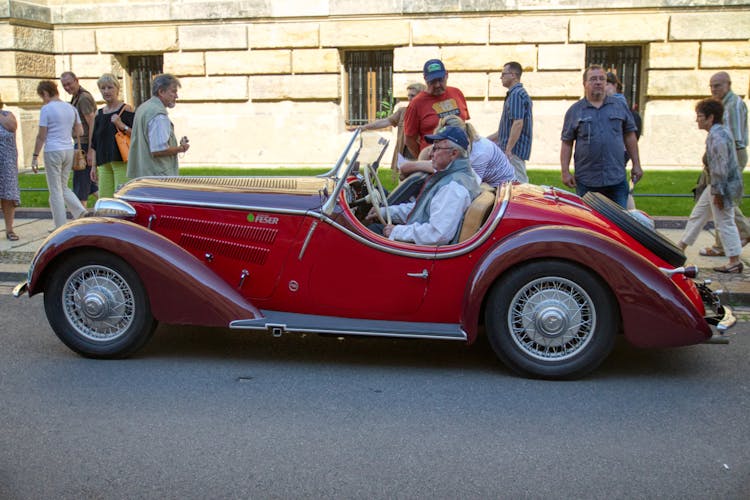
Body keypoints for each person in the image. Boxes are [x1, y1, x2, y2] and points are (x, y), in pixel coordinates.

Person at [365, 125, 481, 245]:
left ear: (453, 154)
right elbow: (422, 209)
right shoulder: (458, 176)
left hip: (428, 256)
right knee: (374, 229)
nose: (431, 153)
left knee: (370, 233)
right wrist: (386, 212)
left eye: (436, 148)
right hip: (427, 247)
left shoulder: (453, 188)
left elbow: (438, 234)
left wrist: (397, 231)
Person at [560, 64, 643, 208]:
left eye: (601, 79)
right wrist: (565, 172)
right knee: (589, 224)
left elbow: (630, 136)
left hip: (616, 178)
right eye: (593, 79)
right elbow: (567, 143)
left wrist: (636, 164)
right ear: (585, 84)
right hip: (587, 181)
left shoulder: (619, 106)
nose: (598, 82)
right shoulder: (575, 111)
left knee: (618, 225)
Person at [678, 98, 744, 274]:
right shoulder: (719, 132)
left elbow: (721, 168)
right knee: (698, 216)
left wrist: (718, 193)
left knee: (724, 222)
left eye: (700, 116)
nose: (697, 120)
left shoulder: (717, 136)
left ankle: (734, 260)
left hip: (721, 187)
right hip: (717, 186)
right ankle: (679, 249)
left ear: (710, 117)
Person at [700, 71, 750, 256]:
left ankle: (728, 243)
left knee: (721, 199)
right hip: (724, 155)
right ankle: (728, 242)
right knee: (716, 200)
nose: (713, 89)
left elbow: (733, 139)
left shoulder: (734, 105)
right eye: (711, 86)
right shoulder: (724, 104)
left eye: (717, 85)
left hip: (731, 155)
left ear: (728, 84)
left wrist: (724, 165)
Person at [399, 115, 514, 187]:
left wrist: (412, 166)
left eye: (439, 146)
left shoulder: (480, 153)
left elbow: (472, 186)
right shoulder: (467, 146)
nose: (432, 153)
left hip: (502, 191)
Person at [31, 80, 87, 228]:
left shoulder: (47, 109)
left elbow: (41, 135)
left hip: (53, 149)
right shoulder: (70, 108)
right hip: (68, 148)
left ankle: (60, 225)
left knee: (55, 190)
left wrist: (35, 156)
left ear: (45, 93)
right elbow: (80, 131)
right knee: (63, 187)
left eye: (42, 97)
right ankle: (81, 212)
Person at [349, 82, 426, 172]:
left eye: (413, 95)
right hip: (404, 157)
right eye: (408, 95)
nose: (409, 98)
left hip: (422, 156)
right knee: (404, 185)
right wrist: (364, 127)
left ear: (421, 96)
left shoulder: (427, 114)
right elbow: (386, 121)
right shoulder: (403, 111)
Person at [403, 59, 469, 158]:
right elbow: (409, 140)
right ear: (425, 79)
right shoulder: (416, 104)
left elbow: (464, 124)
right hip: (434, 163)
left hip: (460, 158)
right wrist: (426, 157)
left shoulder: (457, 93)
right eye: (432, 81)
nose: (437, 85)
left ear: (447, 75)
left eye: (440, 80)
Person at [128, 73, 189, 179]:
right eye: (173, 91)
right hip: (157, 177)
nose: (176, 96)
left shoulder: (144, 107)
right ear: (161, 92)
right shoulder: (158, 114)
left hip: (143, 175)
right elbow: (158, 150)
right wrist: (181, 148)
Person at [88, 73, 134, 198]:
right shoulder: (99, 113)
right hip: (104, 162)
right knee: (105, 198)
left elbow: (136, 135)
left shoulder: (126, 109)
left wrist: (121, 125)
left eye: (110, 87)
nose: (106, 91)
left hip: (121, 160)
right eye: (103, 88)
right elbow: (95, 142)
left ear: (117, 89)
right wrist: (93, 166)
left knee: (122, 197)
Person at [487, 61, 532, 183]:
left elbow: (518, 123)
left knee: (520, 186)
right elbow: (505, 130)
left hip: (514, 152)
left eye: (503, 74)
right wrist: (486, 140)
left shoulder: (516, 94)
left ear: (512, 75)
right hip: (512, 150)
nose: (501, 77)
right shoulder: (515, 94)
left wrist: (508, 149)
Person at [60, 71, 98, 207]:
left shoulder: (83, 98)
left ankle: (80, 219)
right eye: (64, 85)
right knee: (91, 185)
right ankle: (109, 209)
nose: (67, 87)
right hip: (81, 144)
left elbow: (92, 122)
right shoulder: (77, 97)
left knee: (80, 186)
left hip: (84, 145)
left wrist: (90, 151)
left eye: (69, 84)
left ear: (77, 80)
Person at [0, 95, 20, 241]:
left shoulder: (7, 115)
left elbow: (12, 127)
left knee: (8, 195)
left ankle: (9, 229)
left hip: (7, 161)